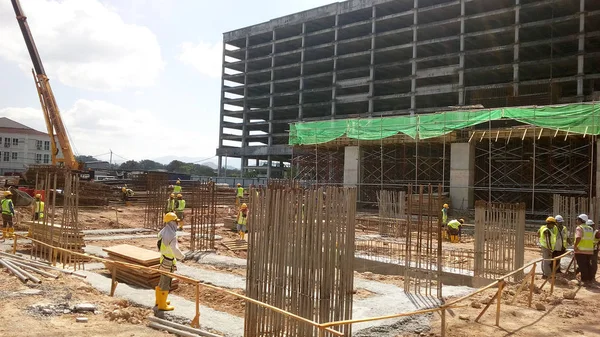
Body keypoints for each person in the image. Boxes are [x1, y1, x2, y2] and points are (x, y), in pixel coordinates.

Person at [156, 212, 185, 311]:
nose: (177, 223)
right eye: (175, 221)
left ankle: (159, 300)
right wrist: (182, 256)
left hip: (163, 258)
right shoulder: (172, 235)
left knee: (161, 281)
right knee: (166, 283)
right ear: (171, 222)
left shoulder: (162, 232)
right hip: (168, 261)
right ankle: (162, 304)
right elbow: (175, 249)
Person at [573, 214, 600, 285]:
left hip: (581, 250)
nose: (576, 221)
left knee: (582, 266)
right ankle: (589, 279)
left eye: (577, 220)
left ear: (580, 220)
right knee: (588, 265)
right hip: (589, 251)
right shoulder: (590, 229)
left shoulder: (579, 228)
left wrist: (575, 246)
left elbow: (578, 238)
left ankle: (584, 280)